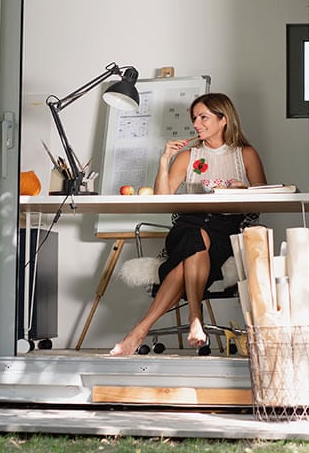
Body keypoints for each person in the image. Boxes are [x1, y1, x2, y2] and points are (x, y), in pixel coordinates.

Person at [109, 93, 266, 356]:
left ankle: (139, 332)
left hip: (225, 230)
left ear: (223, 120)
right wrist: (164, 160)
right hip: (187, 224)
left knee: (191, 254)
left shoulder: (245, 155)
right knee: (196, 234)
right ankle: (195, 317)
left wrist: (243, 189)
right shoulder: (187, 156)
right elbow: (162, 199)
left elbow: (264, 197)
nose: (196, 123)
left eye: (203, 117)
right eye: (194, 118)